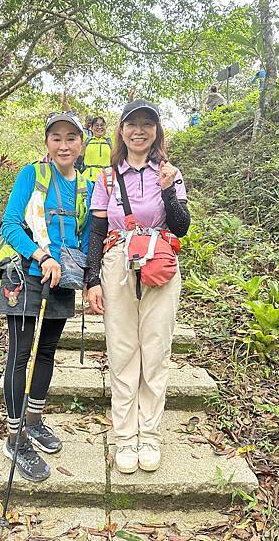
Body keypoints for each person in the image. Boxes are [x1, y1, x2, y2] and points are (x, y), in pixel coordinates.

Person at [86, 99, 190, 474]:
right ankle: (124, 436)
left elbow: (181, 226)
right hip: (117, 264)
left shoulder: (171, 173)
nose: (139, 130)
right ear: (121, 130)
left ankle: (151, 435)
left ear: (156, 131)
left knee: (156, 349)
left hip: (160, 264)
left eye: (148, 123)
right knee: (123, 349)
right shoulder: (107, 177)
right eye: (132, 123)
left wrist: (165, 190)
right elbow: (97, 231)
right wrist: (91, 279)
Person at [0, 112, 93, 482]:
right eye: (56, 137)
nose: (64, 144)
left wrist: (86, 272)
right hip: (26, 274)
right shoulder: (32, 175)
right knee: (20, 354)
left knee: (49, 351)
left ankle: (34, 420)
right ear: (47, 143)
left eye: (71, 137)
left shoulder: (85, 186)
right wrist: (43, 255)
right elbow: (9, 224)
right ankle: (14, 435)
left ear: (81, 144)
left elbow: (85, 233)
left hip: (62, 278)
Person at [81, 116, 112, 181]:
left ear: (106, 127)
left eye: (102, 125)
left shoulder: (110, 141)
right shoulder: (87, 140)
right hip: (87, 179)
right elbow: (76, 125)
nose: (99, 127)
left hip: (106, 179)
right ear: (91, 128)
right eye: (96, 125)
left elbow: (120, 125)